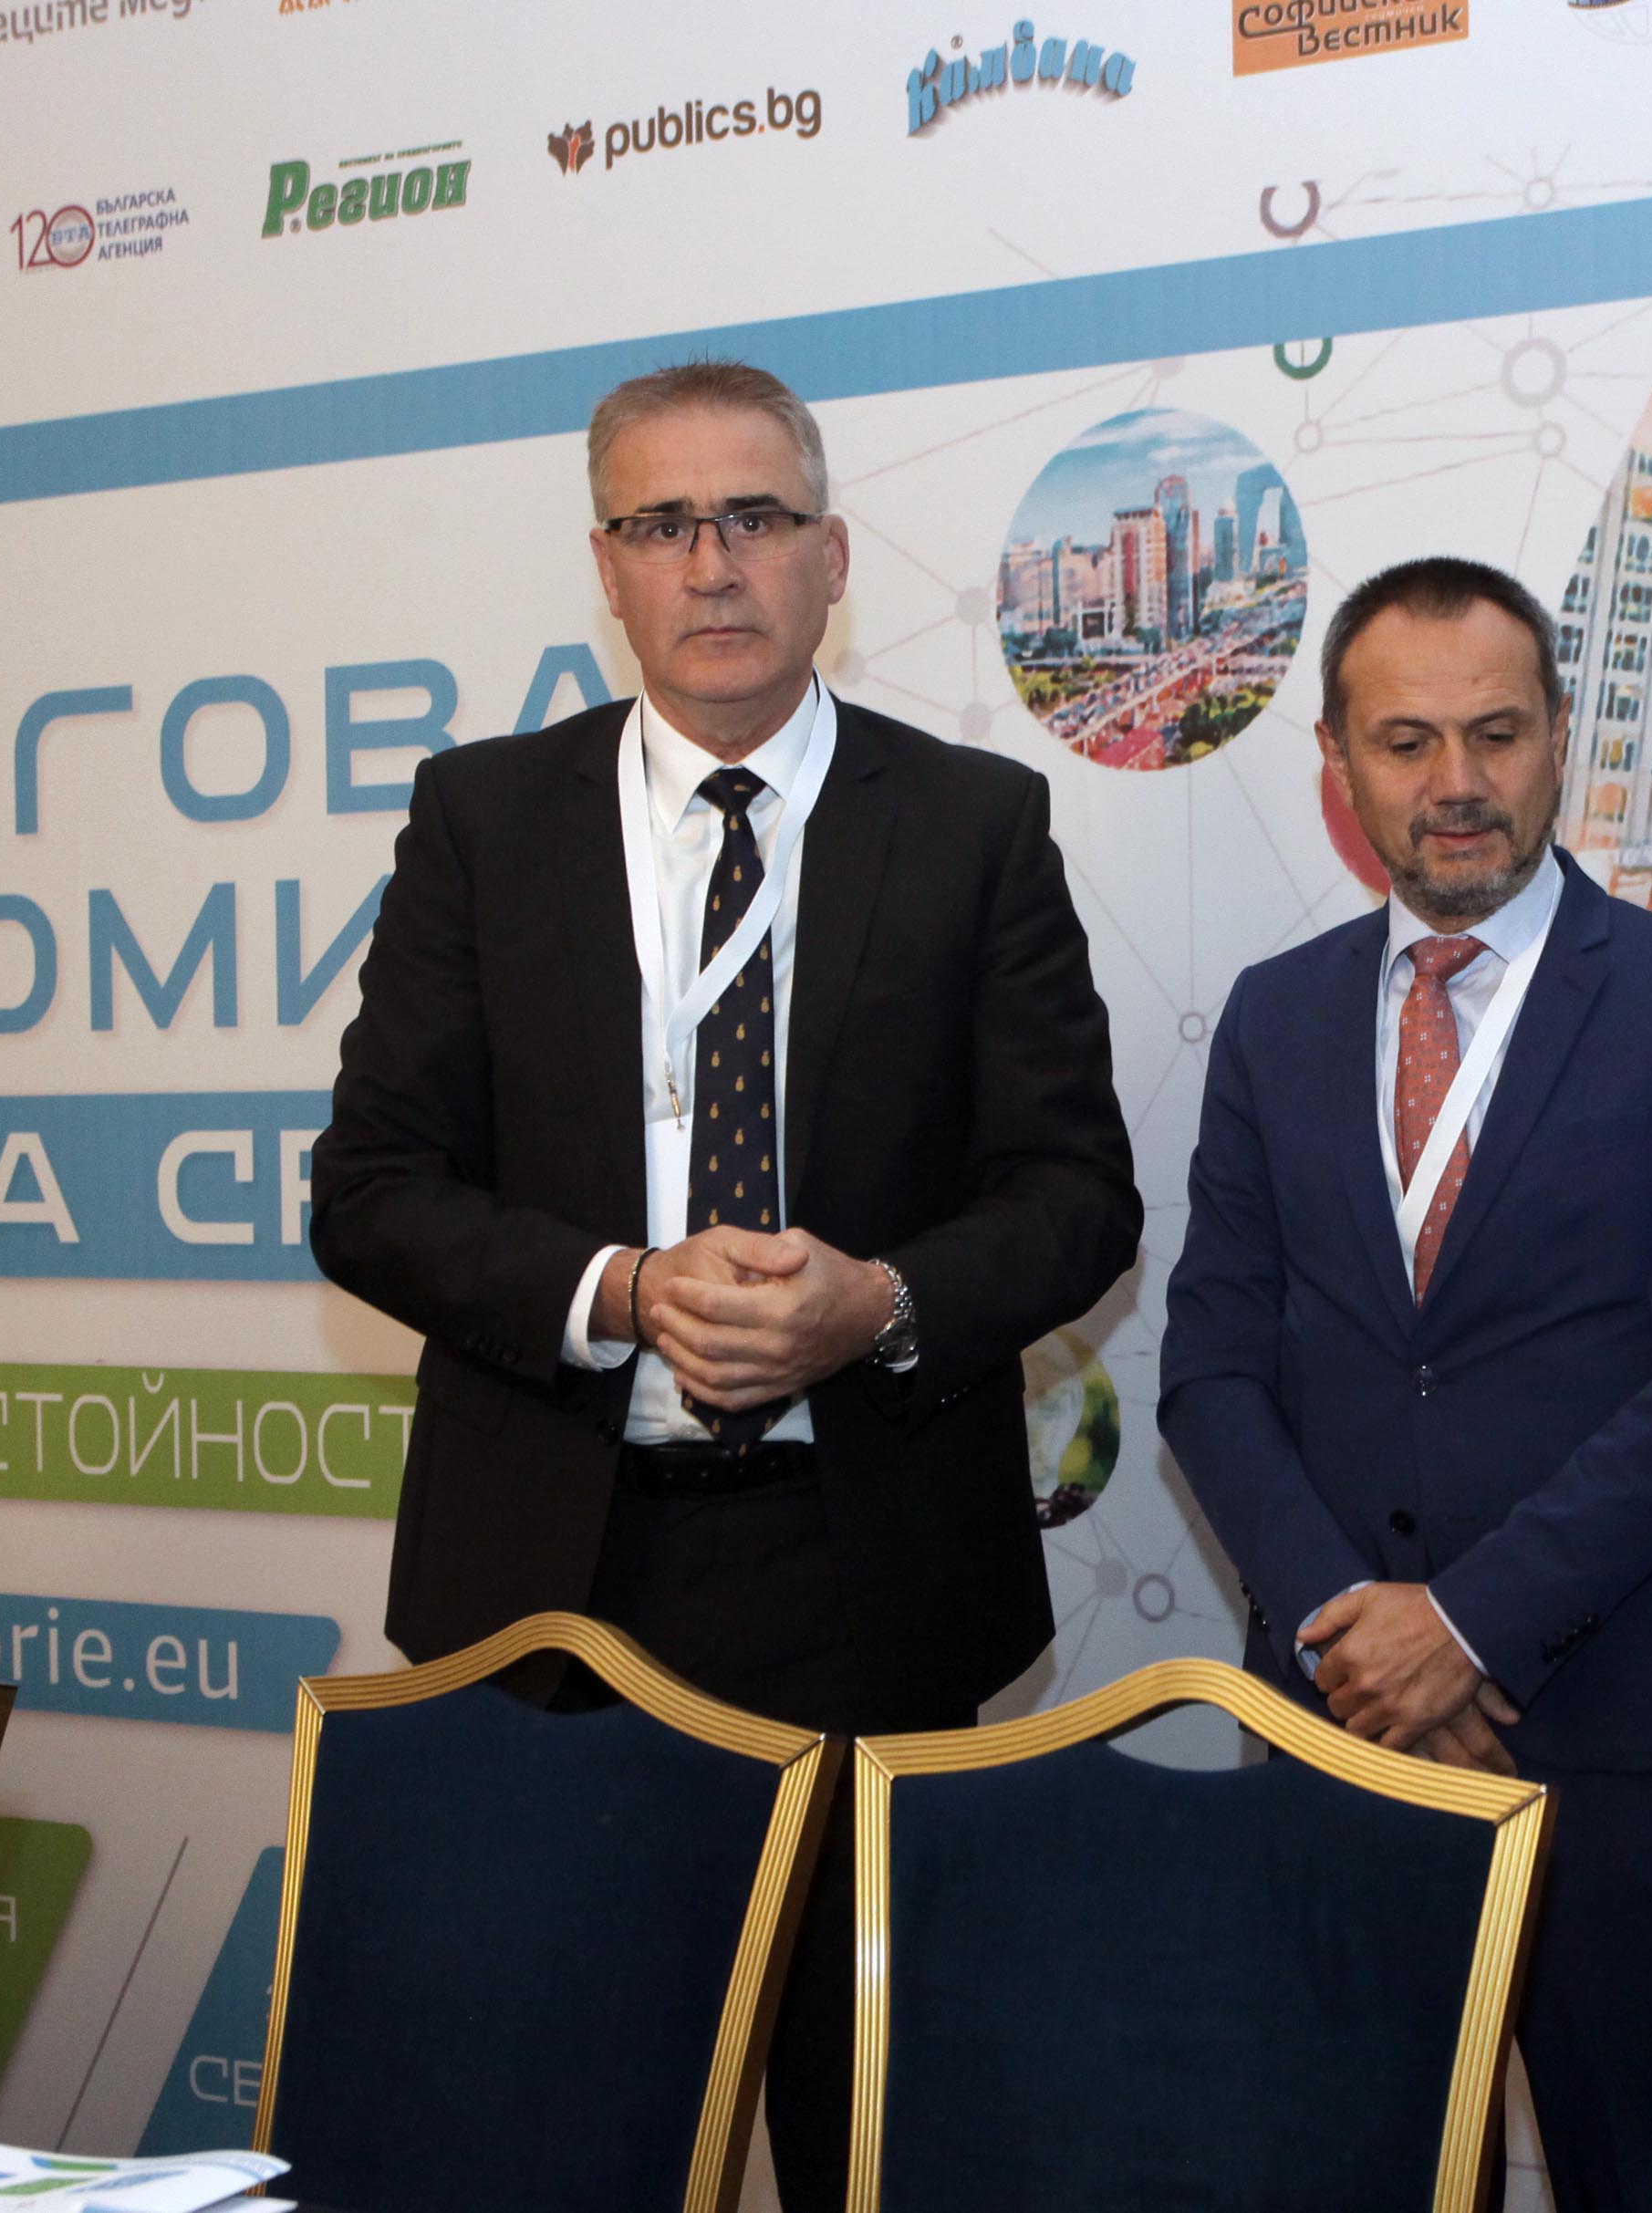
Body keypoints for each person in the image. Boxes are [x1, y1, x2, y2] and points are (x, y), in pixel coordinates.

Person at [310, 359, 1140, 2213]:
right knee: (558, 2130)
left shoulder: (972, 822)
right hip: (554, 1582)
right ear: (607, 564)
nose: (712, 561)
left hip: (867, 1577)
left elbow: (1077, 1197)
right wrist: (615, 1287)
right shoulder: (483, 819)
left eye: (755, 516)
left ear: (830, 556)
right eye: (664, 523)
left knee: (874, 2140)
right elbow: (368, 1194)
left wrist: (879, 1302)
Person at [1163, 557, 1652, 2213]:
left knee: (1640, 2173)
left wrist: (1472, 1623)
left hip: (1605, 1731)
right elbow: (1210, 1361)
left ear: (1561, 734)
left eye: (1497, 734)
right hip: (1340, 1719)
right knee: (1347, 2163)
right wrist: (1351, 1629)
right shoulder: (1275, 1017)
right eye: (1407, 741)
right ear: (1337, 762)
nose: (1457, 782)